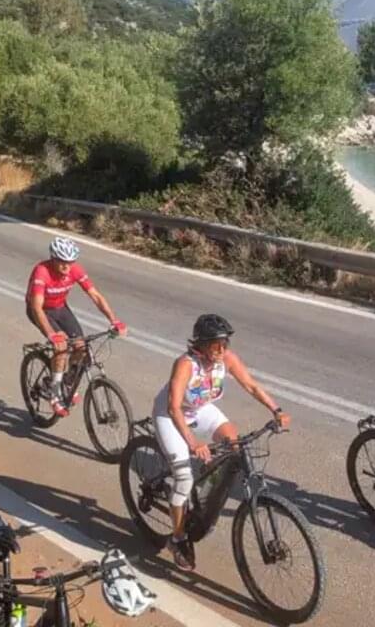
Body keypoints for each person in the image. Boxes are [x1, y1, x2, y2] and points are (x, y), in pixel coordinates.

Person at [153, 314, 290, 571]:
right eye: (215, 344)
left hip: (199, 409)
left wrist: (276, 410)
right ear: (201, 344)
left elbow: (251, 386)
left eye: (224, 343)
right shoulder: (185, 364)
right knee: (183, 479)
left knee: (234, 447)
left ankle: (207, 495)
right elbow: (173, 407)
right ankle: (178, 538)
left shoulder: (226, 358)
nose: (221, 349)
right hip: (171, 417)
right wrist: (194, 443)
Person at [25, 236, 127, 417]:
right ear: (53, 258)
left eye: (70, 262)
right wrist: (51, 334)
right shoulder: (42, 272)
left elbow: (95, 296)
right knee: (62, 348)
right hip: (40, 311)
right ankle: (55, 395)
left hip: (60, 308)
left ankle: (66, 381)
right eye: (62, 262)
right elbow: (36, 307)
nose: (67, 267)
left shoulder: (75, 270)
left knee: (81, 347)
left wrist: (114, 320)